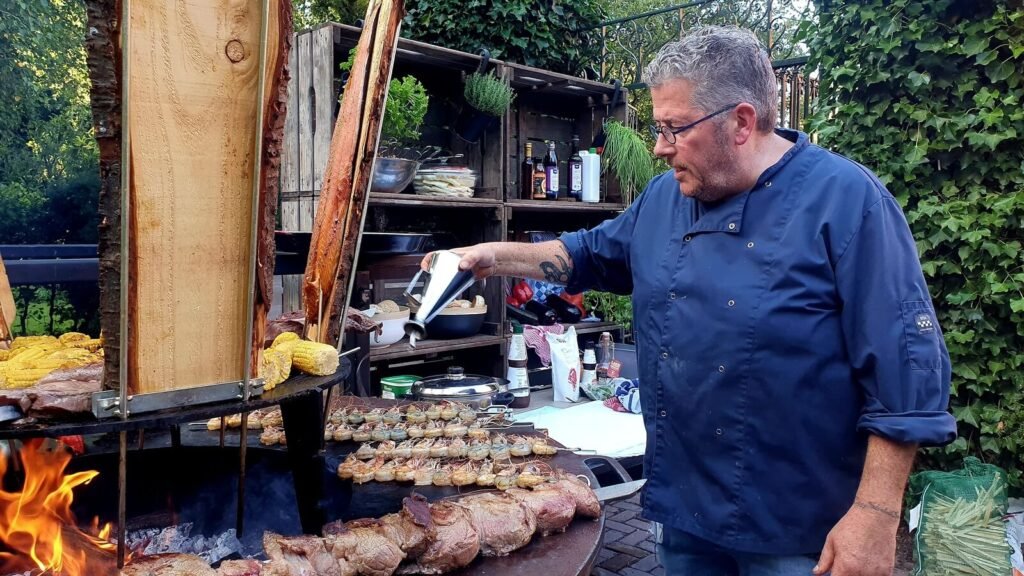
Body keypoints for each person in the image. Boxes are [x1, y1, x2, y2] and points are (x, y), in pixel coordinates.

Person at [423, 26, 956, 575]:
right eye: (658, 128)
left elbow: (905, 376)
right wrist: (491, 254)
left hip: (803, 531)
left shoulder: (847, 202)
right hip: (685, 514)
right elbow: (587, 253)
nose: (659, 147)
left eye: (674, 129)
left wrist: (873, 514)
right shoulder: (664, 199)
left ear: (742, 122)